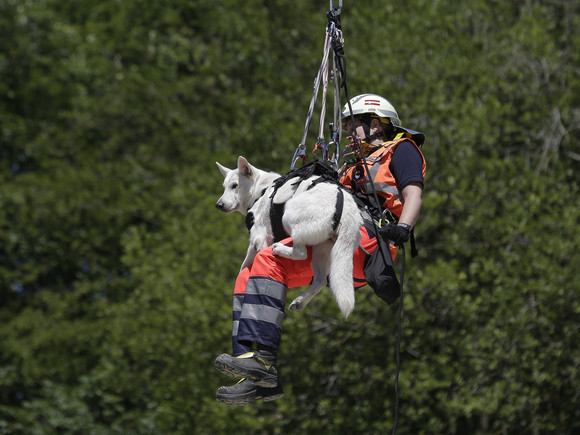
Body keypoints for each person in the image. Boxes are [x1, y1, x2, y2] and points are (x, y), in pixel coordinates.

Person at [214, 94, 426, 405]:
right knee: (250, 273)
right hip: (335, 240)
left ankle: (262, 362)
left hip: (365, 239)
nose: (349, 134)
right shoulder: (354, 166)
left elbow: (413, 193)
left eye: (353, 126)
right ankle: (255, 371)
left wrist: (403, 229)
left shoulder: (402, 149)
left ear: (376, 125)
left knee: (269, 260)